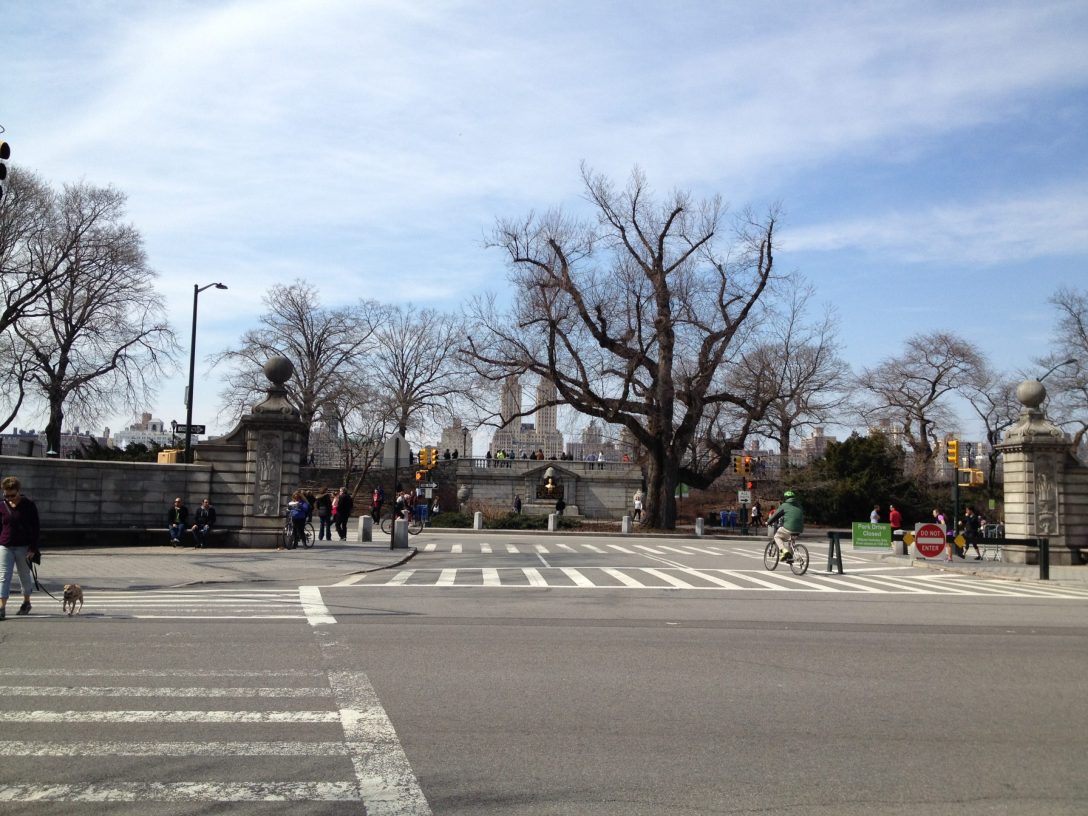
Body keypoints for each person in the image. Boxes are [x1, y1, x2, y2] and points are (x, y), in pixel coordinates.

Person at [0, 476, 40, 620]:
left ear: (19, 491)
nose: (10, 498)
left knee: (24, 576)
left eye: (13, 495)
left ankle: (26, 602)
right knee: (4, 576)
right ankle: (1, 607)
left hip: (24, 546)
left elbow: (36, 528)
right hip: (5, 545)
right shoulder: (2, 506)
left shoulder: (29, 505)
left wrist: (33, 548)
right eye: (6, 495)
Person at [766, 490, 804, 563]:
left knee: (777, 536)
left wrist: (768, 522)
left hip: (789, 527)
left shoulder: (784, 505)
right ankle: (790, 558)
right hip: (799, 528)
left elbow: (775, 515)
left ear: (786, 498)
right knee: (791, 541)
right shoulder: (799, 505)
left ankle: (784, 550)